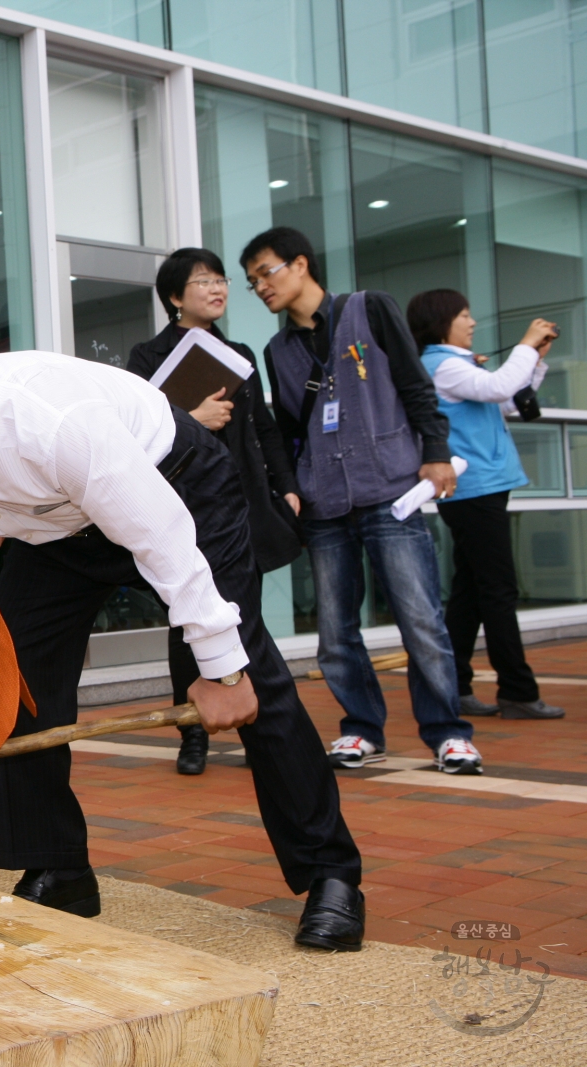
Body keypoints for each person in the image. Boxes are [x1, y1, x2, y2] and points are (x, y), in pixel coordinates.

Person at [0, 360, 366, 953]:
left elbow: (158, 534)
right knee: (13, 674)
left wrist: (221, 669)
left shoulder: (48, 422)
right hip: (56, 530)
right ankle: (59, 870)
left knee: (248, 673)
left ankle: (331, 876)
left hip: (174, 486)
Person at [243, 226, 483, 775]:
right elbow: (285, 430)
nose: (260, 286)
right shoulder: (278, 349)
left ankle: (448, 732)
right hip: (324, 505)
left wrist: (437, 450)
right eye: (253, 280)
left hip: (390, 492)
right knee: (334, 632)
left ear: (300, 264)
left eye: (267, 272)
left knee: (421, 620)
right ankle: (360, 728)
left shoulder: (369, 310)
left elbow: (415, 385)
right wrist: (290, 489)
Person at [126, 248, 302, 776]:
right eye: (204, 282)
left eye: (222, 281)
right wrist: (192, 418)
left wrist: (285, 486)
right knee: (189, 619)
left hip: (241, 499)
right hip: (183, 505)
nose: (218, 289)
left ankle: (257, 727)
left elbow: (265, 428)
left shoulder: (238, 350)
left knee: (244, 614)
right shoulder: (148, 355)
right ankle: (192, 731)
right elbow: (132, 429)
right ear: (176, 297)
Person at [406, 289, 564, 721]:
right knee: (497, 590)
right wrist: (525, 346)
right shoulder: (443, 366)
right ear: (442, 322)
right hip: (475, 491)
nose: (472, 322)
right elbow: (499, 386)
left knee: (472, 593)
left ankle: (453, 685)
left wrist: (534, 358)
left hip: (478, 489)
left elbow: (510, 400)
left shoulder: (450, 366)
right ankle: (516, 690)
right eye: (464, 314)